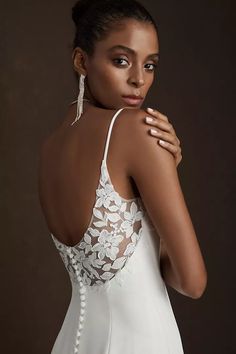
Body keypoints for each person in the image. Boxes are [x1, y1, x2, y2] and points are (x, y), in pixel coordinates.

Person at [38, 0, 207, 353]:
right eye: (121, 60)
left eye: (150, 65)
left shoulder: (50, 148)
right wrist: (164, 173)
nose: (139, 80)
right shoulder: (136, 130)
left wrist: (160, 177)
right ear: (82, 61)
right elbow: (191, 282)